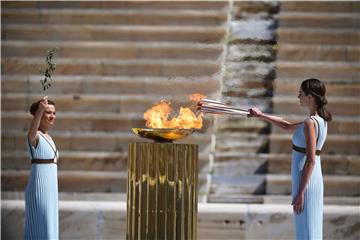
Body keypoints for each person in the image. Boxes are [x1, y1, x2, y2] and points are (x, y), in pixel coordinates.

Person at [248, 78, 331, 239]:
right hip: (309, 180)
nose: (298, 97)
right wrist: (261, 115)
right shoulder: (319, 121)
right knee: (308, 229)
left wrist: (300, 192)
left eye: (300, 94)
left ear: (310, 97)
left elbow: (311, 160)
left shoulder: (310, 123)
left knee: (307, 231)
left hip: (306, 182)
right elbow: (286, 126)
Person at [24, 96, 59, 239]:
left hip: (51, 188)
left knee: (50, 225)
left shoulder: (49, 137)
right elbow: (32, 132)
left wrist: (43, 110)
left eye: (54, 113)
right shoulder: (35, 136)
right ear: (38, 114)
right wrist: (40, 111)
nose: (52, 116)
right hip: (39, 188)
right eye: (48, 112)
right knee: (40, 225)